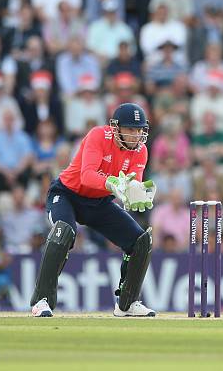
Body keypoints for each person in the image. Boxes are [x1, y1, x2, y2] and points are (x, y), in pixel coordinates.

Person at [30, 103, 157, 318]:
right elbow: (87, 175)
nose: (136, 135)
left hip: (99, 203)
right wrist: (112, 184)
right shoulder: (98, 135)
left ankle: (127, 304)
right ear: (116, 128)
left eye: (139, 130)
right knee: (64, 232)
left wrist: (136, 193)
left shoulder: (141, 151)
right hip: (67, 194)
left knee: (141, 241)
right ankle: (41, 301)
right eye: (130, 129)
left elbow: (133, 182)